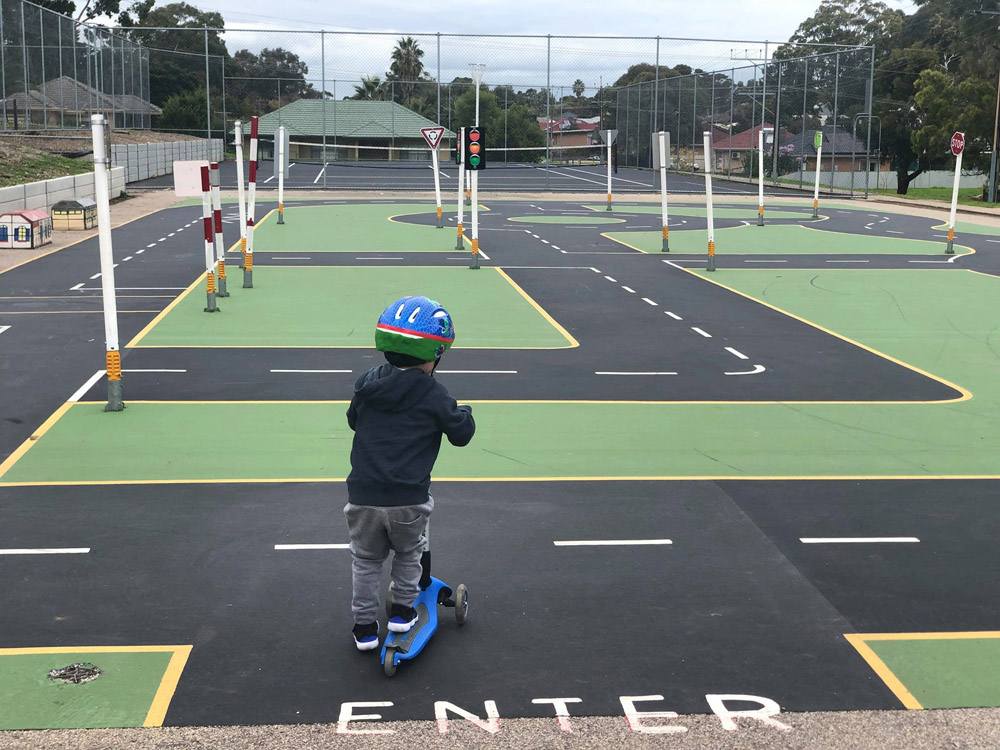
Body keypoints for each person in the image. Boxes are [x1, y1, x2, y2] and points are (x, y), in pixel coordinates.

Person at [344, 295, 476, 651]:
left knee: (366, 561)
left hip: (363, 495)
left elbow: (353, 420)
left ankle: (365, 629)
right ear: (435, 353)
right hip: (408, 497)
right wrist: (464, 412)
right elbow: (460, 434)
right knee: (408, 554)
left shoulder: (367, 383)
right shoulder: (434, 394)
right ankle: (403, 613)